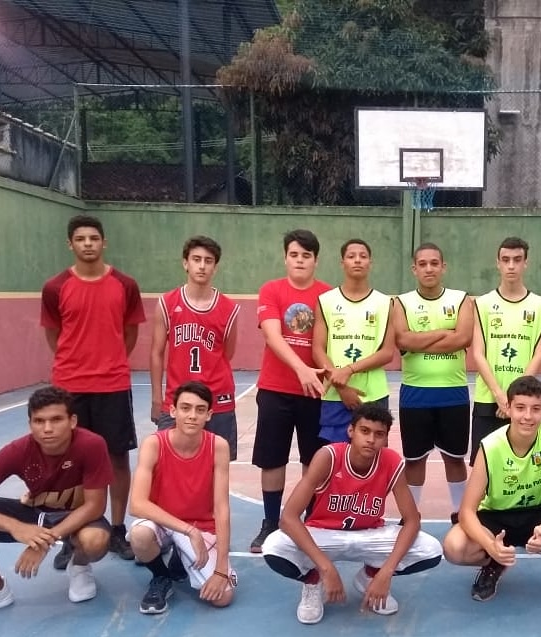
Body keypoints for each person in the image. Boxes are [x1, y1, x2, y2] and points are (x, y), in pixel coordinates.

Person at [261, 403, 442, 625]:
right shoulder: (328, 457)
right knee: (273, 546)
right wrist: (325, 568)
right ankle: (313, 580)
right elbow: (288, 518)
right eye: (364, 431)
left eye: (379, 434)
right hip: (324, 534)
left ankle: (371, 576)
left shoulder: (391, 461)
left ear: (386, 438)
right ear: (351, 431)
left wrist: (386, 572)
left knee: (431, 549)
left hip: (370, 535)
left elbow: (412, 521)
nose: (371, 440)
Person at [443, 376, 541, 612]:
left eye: (535, 409)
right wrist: (489, 545)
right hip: (497, 517)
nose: (527, 416)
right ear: (508, 408)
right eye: (520, 408)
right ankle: (495, 560)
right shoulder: (490, 446)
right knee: (454, 547)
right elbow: (466, 511)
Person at [0, 386, 112, 623]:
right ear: (30, 424)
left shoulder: (91, 444)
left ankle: (79, 566)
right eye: (39, 421)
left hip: (75, 515)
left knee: (95, 541)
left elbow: (95, 506)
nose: (47, 428)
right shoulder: (18, 450)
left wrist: (43, 542)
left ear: (72, 421)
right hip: (34, 513)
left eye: (56, 419)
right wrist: (16, 527)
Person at [41, 214, 145, 563]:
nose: (88, 244)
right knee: (70, 463)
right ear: (70, 244)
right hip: (69, 387)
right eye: (81, 239)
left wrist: (109, 360)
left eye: (94, 238)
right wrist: (75, 363)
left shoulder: (125, 285)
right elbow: (54, 336)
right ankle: (71, 535)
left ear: (104, 242)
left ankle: (117, 529)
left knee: (117, 457)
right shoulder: (55, 288)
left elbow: (129, 332)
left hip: (112, 384)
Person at [249, 229, 331, 553]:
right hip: (276, 389)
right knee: (272, 459)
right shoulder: (271, 290)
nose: (299, 260)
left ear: (316, 260)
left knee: (313, 460)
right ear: (285, 258)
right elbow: (272, 336)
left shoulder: (328, 296)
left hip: (315, 393)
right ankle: (271, 522)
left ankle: (310, 521)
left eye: (306, 255)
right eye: (294, 254)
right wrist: (301, 369)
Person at [129, 381, 235, 615]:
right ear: (173, 411)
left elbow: (221, 508)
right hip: (163, 522)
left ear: (209, 415)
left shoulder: (218, 446)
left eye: (200, 410)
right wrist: (188, 531)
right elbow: (136, 504)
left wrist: (221, 569)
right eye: (185, 408)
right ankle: (161, 576)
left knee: (224, 597)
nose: (192, 416)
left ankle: (180, 555)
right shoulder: (154, 444)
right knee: (139, 536)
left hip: (201, 524)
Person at [392, 242, 474, 524]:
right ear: (414, 269)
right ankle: (410, 515)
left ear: (443, 267)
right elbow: (403, 339)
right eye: (423, 264)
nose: (429, 268)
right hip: (415, 393)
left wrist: (420, 340)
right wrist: (443, 332)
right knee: (415, 459)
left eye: (434, 263)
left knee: (454, 458)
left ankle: (461, 513)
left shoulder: (461, 299)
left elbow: (463, 338)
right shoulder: (402, 302)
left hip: (453, 392)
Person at [149, 236, 240, 459]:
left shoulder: (229, 309)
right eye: (196, 259)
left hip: (217, 400)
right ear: (185, 263)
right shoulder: (167, 304)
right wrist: (157, 398)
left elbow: (227, 353)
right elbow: (156, 353)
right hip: (176, 398)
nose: (202, 266)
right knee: (168, 465)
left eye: (208, 261)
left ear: (215, 267)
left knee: (217, 465)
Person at [470, 237, 541, 462]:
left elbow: (539, 354)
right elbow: (478, 354)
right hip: (489, 399)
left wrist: (513, 397)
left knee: (521, 465)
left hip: (524, 403)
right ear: (498, 263)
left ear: (526, 263)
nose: (511, 266)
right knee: (484, 466)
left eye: (517, 260)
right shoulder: (483, 304)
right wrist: (500, 395)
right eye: (505, 260)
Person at [313, 239, 395, 443]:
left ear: (370, 263)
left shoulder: (385, 303)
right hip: (335, 396)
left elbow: (387, 353)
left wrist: (349, 370)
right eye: (351, 256)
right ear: (342, 263)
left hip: (373, 394)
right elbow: (318, 350)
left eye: (363, 256)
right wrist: (342, 387)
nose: (357, 260)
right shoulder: (326, 301)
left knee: (371, 455)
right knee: (336, 455)